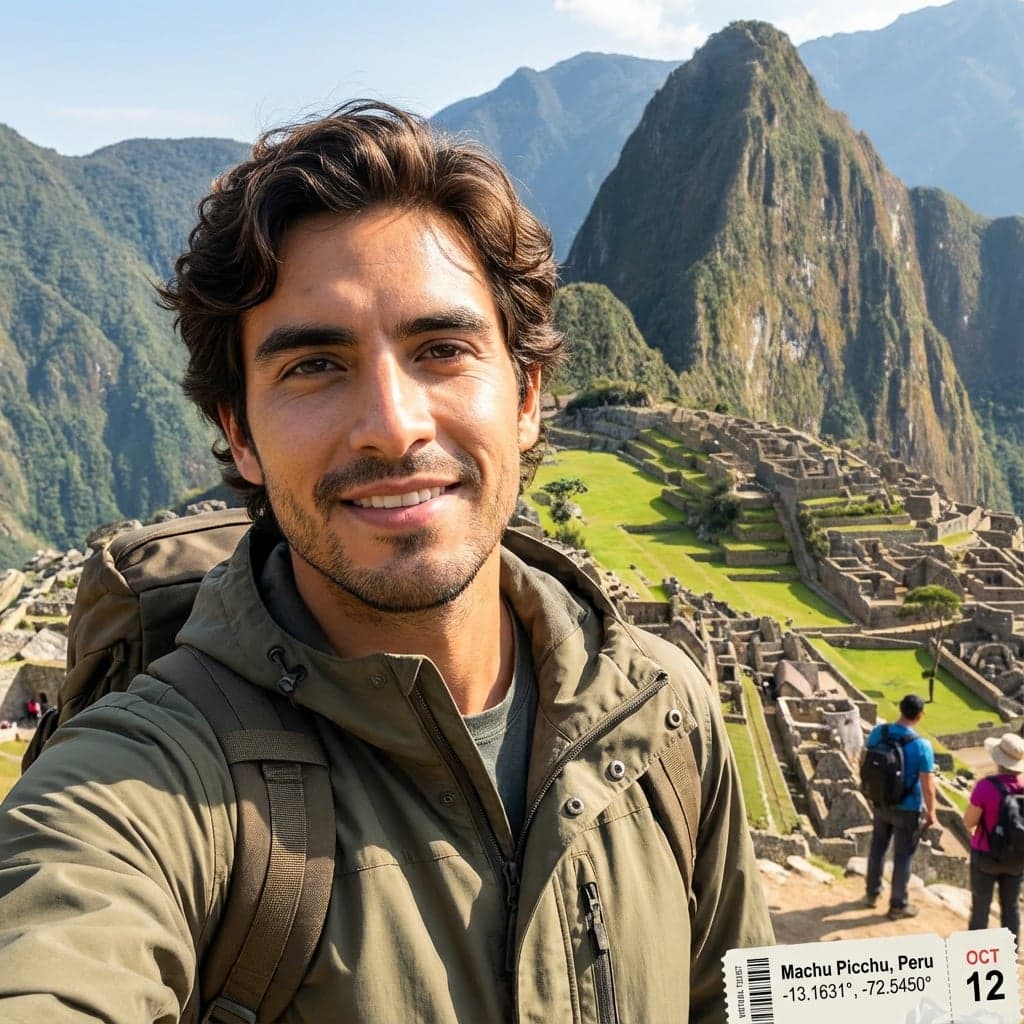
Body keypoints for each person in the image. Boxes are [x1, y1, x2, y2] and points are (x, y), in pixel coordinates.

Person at [0, 102, 772, 1022]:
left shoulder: (663, 719)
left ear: (525, 396)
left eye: (441, 349)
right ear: (238, 435)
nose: (393, 425)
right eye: (314, 367)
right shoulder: (145, 782)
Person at [864, 693, 936, 919]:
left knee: (877, 847)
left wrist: (870, 791)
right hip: (908, 808)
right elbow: (927, 784)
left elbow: (865, 761)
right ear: (920, 716)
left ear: (900, 709)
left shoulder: (879, 732)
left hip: (881, 801)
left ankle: (872, 893)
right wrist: (932, 812)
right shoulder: (922, 746)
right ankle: (898, 904)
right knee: (903, 856)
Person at [964, 733, 1024, 944]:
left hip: (985, 853)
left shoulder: (985, 786)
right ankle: (1010, 953)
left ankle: (976, 953)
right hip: (1017, 857)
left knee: (981, 905)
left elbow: (969, 821)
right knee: (1011, 907)